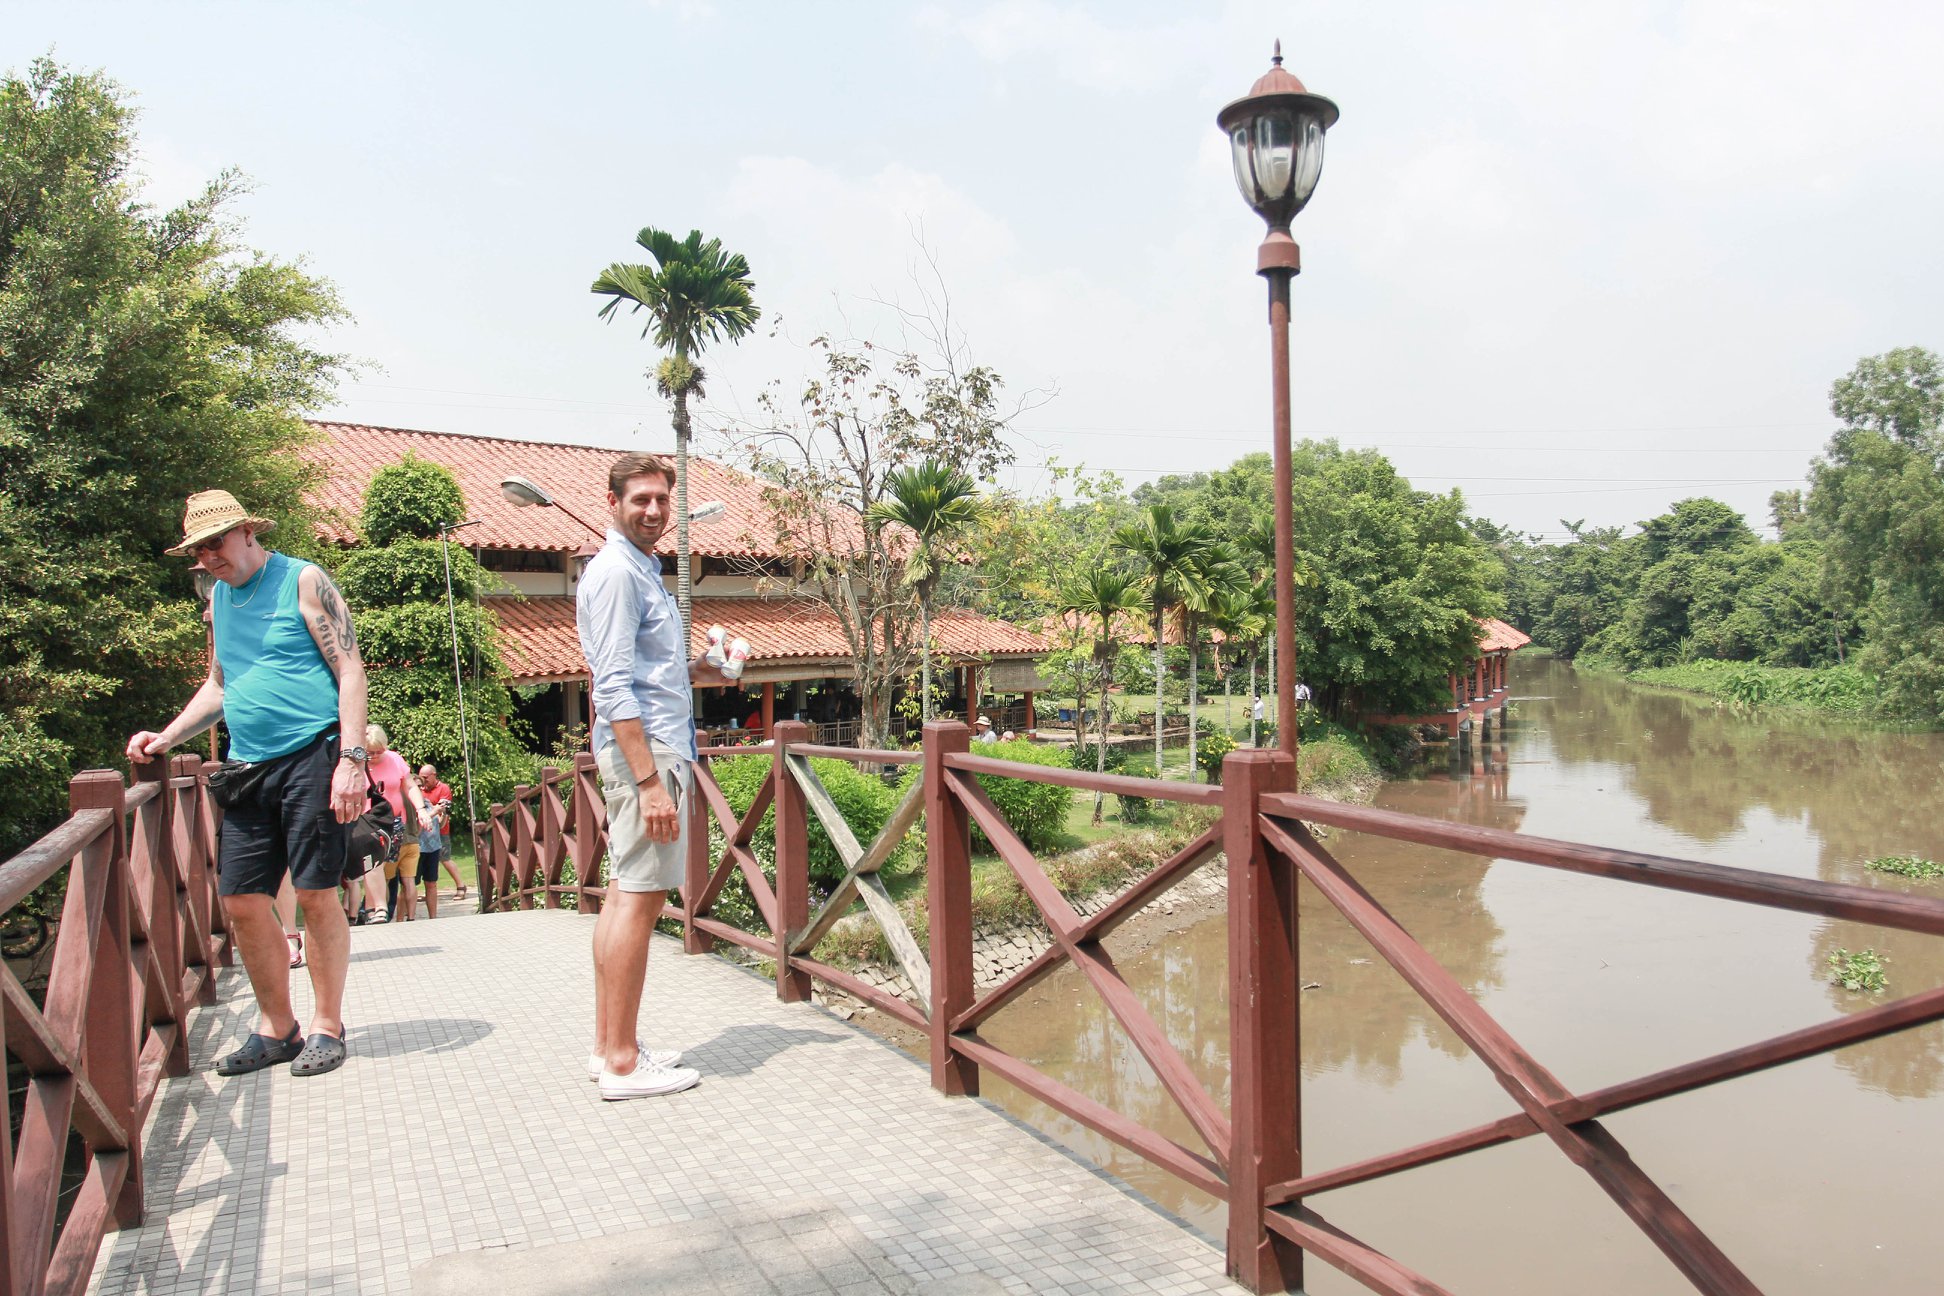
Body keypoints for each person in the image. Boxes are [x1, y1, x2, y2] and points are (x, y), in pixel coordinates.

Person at [126, 490, 367, 1078]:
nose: (209, 557)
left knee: (314, 893)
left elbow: (350, 666)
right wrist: (166, 737)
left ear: (247, 534)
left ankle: (326, 1025)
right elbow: (219, 686)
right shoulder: (221, 601)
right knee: (239, 897)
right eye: (199, 549)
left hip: (313, 754)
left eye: (216, 543)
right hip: (248, 767)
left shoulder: (304, 580)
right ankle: (277, 1028)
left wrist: (353, 759)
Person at [577, 452, 737, 1101]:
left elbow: (647, 671)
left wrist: (705, 666)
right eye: (640, 499)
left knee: (624, 896)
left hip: (655, 746)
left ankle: (611, 1045)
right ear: (613, 502)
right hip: (650, 756)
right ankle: (621, 1061)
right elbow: (613, 685)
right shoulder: (618, 572)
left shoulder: (640, 570)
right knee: (641, 902)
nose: (652, 510)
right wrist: (648, 784)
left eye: (660, 501)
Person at [364, 725, 433, 921]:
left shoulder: (394, 759)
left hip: (393, 822)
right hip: (366, 820)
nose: (375, 756)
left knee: (381, 865)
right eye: (370, 752)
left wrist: (421, 810)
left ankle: (373, 908)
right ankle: (378, 908)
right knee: (372, 862)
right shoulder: (355, 760)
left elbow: (410, 785)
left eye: (379, 751)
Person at [417, 764, 466, 899]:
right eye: (421, 778)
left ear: (434, 775)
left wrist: (431, 810)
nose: (423, 781)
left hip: (440, 831)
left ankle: (461, 886)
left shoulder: (443, 789)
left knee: (444, 858)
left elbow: (442, 809)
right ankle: (430, 892)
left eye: (426, 778)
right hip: (424, 833)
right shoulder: (420, 790)